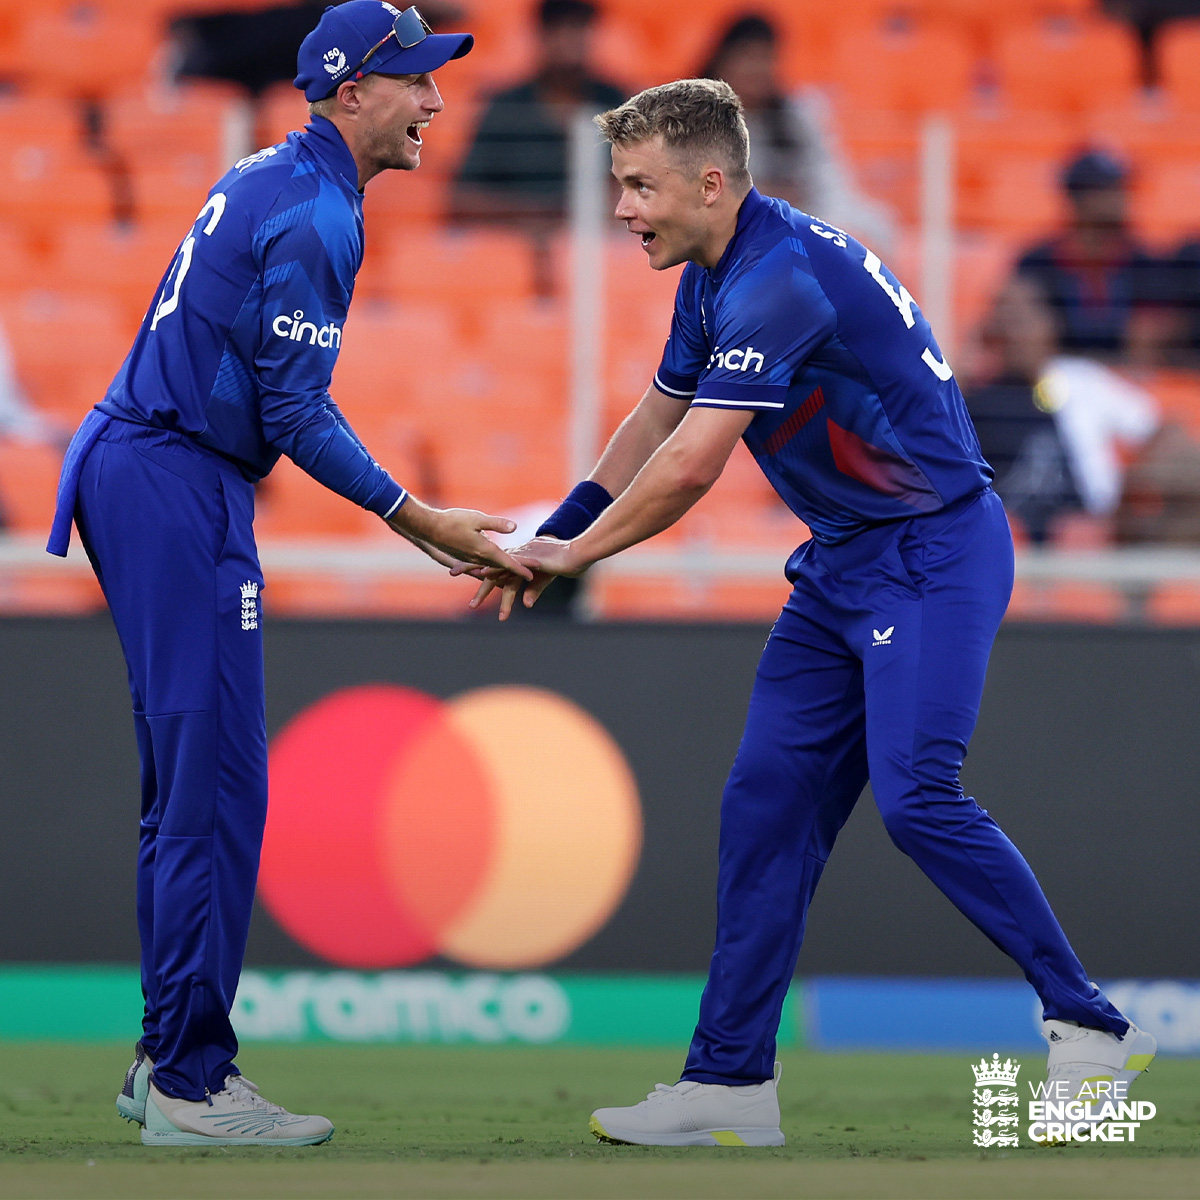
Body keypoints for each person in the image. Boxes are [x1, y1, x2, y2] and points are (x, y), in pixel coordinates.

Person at [470, 79, 1156, 1147]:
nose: (622, 209)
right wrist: (548, 535)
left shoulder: (779, 280)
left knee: (920, 797)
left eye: (639, 186)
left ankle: (1090, 1030)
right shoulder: (717, 271)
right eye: (618, 187)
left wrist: (574, 558)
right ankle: (730, 1082)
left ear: (711, 181)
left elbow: (694, 465)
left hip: (931, 552)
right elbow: (656, 417)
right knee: (764, 811)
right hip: (844, 562)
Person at [46, 1, 530, 1148]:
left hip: (153, 468)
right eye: (413, 81)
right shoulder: (316, 212)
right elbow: (292, 410)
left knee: (194, 791)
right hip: (176, 480)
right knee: (213, 791)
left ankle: (167, 1055)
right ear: (348, 90)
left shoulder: (280, 177)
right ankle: (190, 1083)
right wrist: (418, 517)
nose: (435, 100)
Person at [967, 275, 1159, 543]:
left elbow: (1157, 426)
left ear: (1050, 324)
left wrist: (1130, 492)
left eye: (1023, 319)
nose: (1014, 331)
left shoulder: (1082, 381)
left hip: (1092, 529)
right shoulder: (973, 403)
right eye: (1006, 319)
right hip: (1008, 542)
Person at [697, 13, 895, 252]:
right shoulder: (694, 119)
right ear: (723, 60)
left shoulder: (797, 115)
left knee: (874, 226)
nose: (756, 70)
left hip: (798, 219)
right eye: (747, 57)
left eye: (765, 58)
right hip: (722, 231)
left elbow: (829, 182)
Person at [450, 0, 626, 225]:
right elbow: (463, 199)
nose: (570, 40)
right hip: (514, 242)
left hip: (600, 242)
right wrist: (539, 214)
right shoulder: (506, 107)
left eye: (579, 27)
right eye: (560, 28)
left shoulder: (617, 102)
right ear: (541, 34)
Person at [1013, 149, 1166, 363]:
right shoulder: (1037, 262)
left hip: (1123, 382)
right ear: (1078, 198)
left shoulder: (1142, 262)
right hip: (1055, 380)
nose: (1121, 197)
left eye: (1121, 188)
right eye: (1107, 189)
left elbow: (1150, 338)